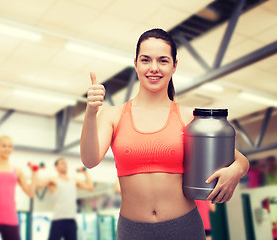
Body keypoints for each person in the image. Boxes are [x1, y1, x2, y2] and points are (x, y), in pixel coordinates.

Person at [80, 28, 250, 240]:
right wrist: (91, 112)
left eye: (162, 60)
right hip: (133, 231)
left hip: (183, 227)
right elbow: (89, 159)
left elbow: (238, 159)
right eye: (145, 60)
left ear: (174, 65)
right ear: (135, 64)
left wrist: (235, 171)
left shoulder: (189, 117)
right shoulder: (112, 115)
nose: (154, 68)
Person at [34, 157, 94, 240]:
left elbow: (90, 187)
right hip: (58, 220)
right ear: (56, 167)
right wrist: (37, 170)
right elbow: (37, 184)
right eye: (62, 163)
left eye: (65, 163)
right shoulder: (53, 180)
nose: (65, 165)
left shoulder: (74, 180)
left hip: (71, 221)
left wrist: (85, 173)